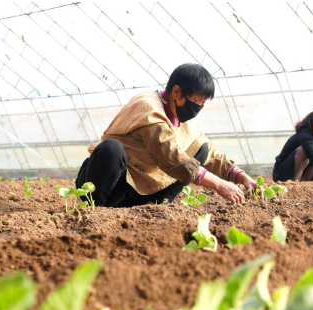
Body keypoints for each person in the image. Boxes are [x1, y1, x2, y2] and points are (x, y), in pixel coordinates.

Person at [76, 63, 257, 207]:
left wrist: (241, 177)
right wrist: (218, 184)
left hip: (139, 193)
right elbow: (172, 157)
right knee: (111, 149)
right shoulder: (149, 108)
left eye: (202, 103)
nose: (197, 108)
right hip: (113, 184)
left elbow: (211, 155)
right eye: (195, 101)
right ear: (177, 92)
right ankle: (95, 207)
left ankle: (157, 205)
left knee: (199, 148)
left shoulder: (185, 122)